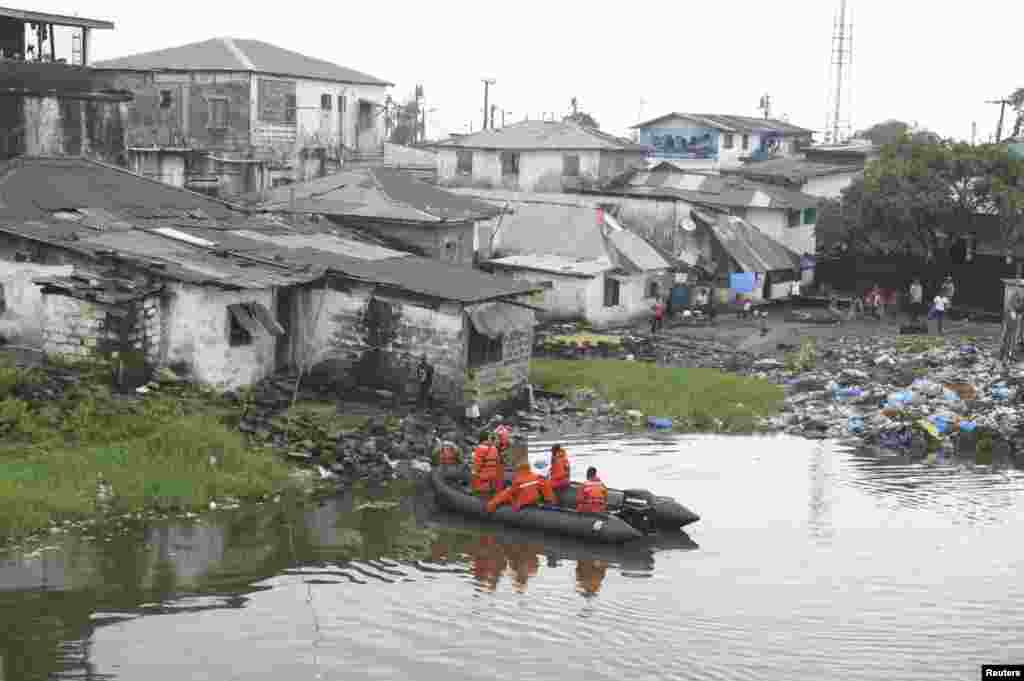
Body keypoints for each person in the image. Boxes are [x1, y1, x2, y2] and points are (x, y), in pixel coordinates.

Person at [486, 459, 555, 513]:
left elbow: (506, 494)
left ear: (519, 470)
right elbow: (547, 488)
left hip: (523, 504)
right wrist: (551, 502)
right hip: (535, 502)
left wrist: (492, 505)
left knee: (509, 494)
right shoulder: (537, 477)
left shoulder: (518, 480)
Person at [472, 432, 504, 497]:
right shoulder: (494, 448)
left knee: (481, 494)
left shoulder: (479, 448)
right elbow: (498, 464)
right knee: (491, 494)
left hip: (483, 477)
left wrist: (474, 473)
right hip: (494, 477)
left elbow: (477, 464)